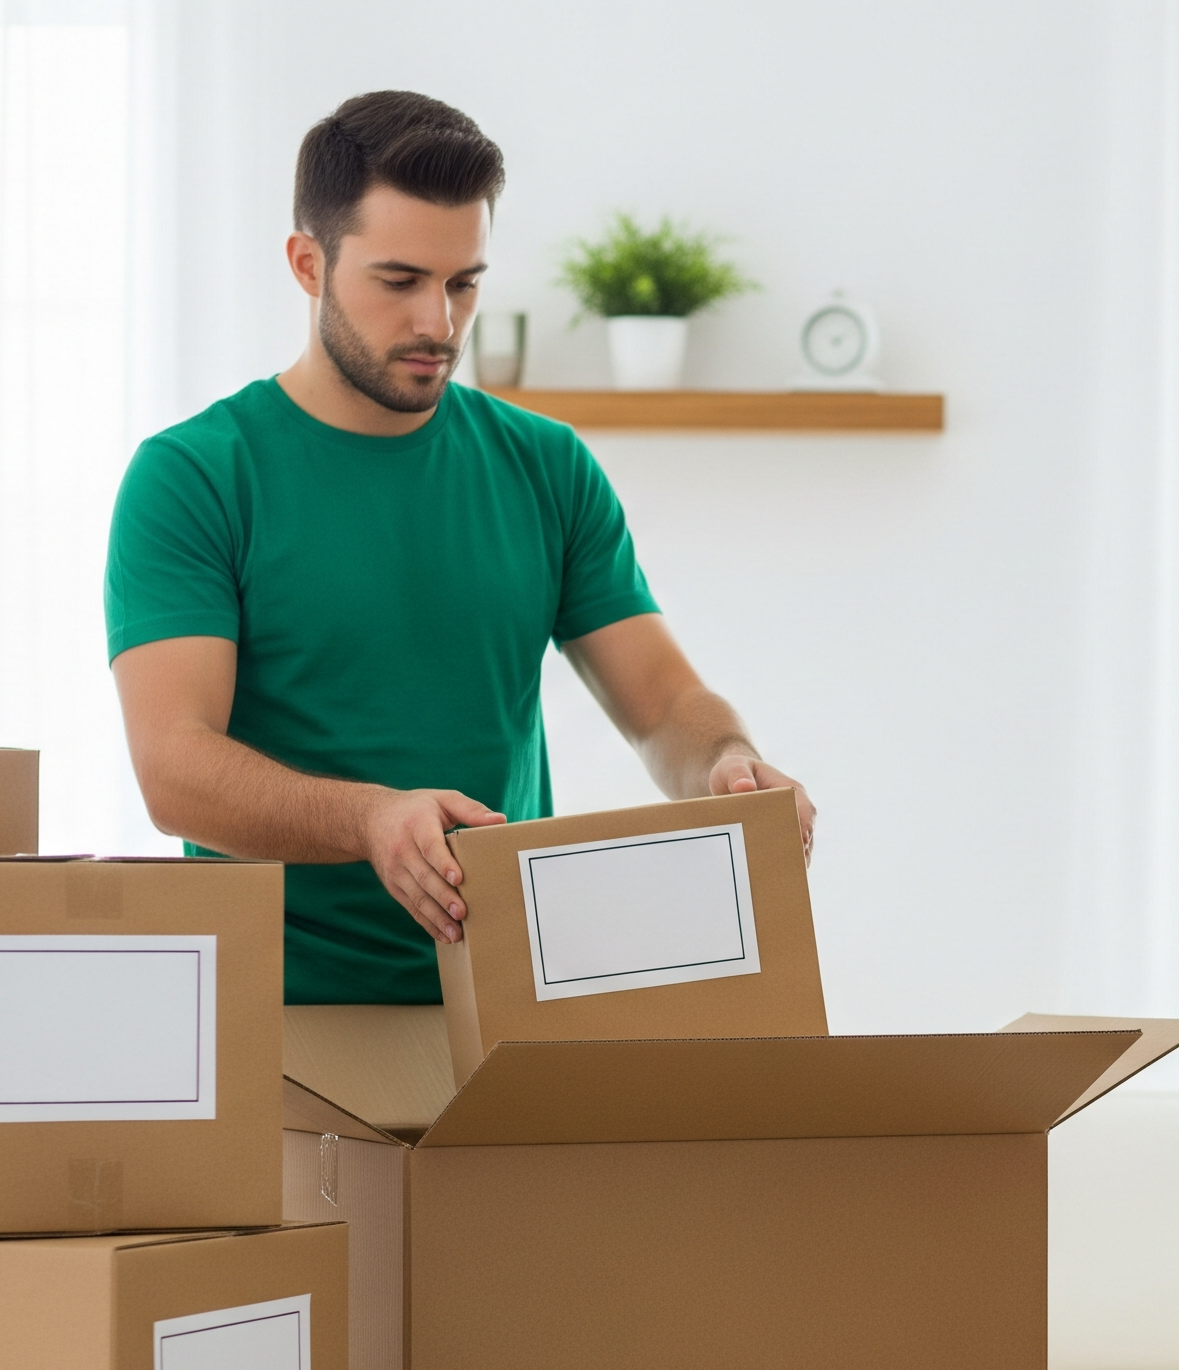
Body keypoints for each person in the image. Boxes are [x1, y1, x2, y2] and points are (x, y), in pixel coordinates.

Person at [105, 91, 811, 1009]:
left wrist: (726, 762)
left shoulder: (546, 465)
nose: (438, 323)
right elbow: (174, 767)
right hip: (278, 1009)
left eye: (463, 283)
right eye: (399, 281)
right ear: (308, 264)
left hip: (507, 991)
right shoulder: (195, 476)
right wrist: (368, 819)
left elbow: (664, 705)